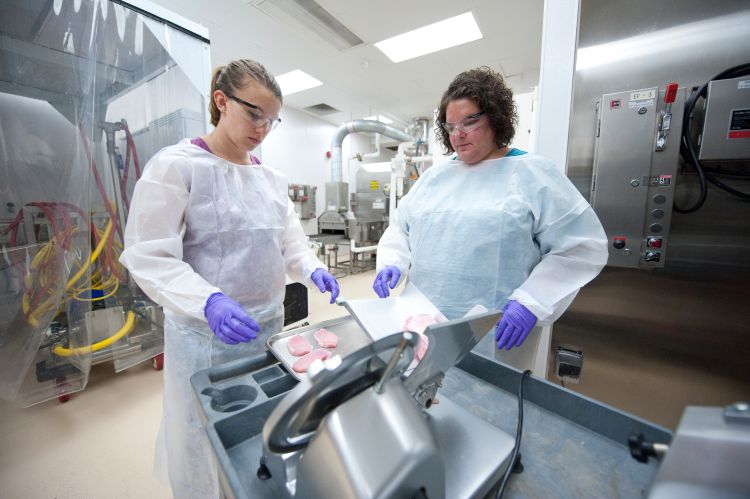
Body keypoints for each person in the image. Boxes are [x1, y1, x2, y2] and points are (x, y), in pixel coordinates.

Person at [119, 59, 339, 498]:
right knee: (205, 435)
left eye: (271, 120)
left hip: (268, 330)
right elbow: (151, 255)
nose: (262, 128)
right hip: (205, 337)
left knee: (260, 426)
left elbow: (289, 242)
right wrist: (209, 301)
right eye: (253, 113)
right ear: (221, 101)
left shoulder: (269, 179)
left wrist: (313, 268)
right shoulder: (177, 167)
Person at [373, 66, 607, 352]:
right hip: (423, 326)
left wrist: (532, 301)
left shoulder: (533, 174)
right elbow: (401, 228)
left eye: (469, 122)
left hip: (497, 332)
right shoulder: (433, 179)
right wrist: (392, 262)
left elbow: (581, 247)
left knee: (487, 395)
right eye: (450, 127)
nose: (457, 135)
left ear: (495, 118)